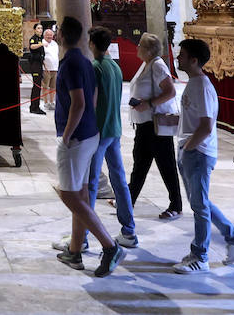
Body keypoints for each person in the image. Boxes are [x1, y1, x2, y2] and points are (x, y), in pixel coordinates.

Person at [51, 16, 126, 278]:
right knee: (80, 194)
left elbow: (79, 102)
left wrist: (67, 135)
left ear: (62, 34)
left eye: (58, 30)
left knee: (70, 195)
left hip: (77, 138)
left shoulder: (71, 63)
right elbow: (92, 99)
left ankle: (110, 245)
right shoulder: (84, 61)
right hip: (90, 134)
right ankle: (74, 250)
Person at [173, 38, 234, 274]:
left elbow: (206, 125)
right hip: (190, 149)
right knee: (201, 203)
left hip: (198, 152)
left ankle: (201, 256)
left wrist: (189, 147)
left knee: (200, 207)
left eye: (182, 54)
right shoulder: (193, 83)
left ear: (194, 60)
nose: (178, 57)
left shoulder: (203, 86)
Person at [78, 27, 137, 249]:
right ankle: (129, 231)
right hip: (114, 129)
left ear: (92, 43)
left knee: (91, 183)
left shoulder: (95, 67)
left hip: (99, 131)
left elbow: (90, 102)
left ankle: (82, 237)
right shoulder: (114, 66)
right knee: (119, 180)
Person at [126, 33, 182, 220]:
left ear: (148, 50)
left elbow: (170, 91)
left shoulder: (157, 65)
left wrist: (149, 104)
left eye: (140, 45)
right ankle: (128, 199)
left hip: (155, 124)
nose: (137, 48)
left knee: (166, 164)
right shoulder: (147, 63)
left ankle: (176, 204)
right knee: (140, 163)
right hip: (144, 123)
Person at [27, 21, 47, 115]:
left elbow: (41, 54)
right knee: (36, 86)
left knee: (38, 86)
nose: (40, 30)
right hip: (34, 65)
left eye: (41, 28)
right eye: (38, 28)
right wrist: (41, 44)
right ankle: (33, 107)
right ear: (34, 30)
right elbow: (32, 46)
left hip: (39, 64)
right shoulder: (34, 39)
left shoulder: (40, 39)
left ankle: (36, 106)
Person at [40, 26, 58, 112]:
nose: (49, 36)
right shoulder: (42, 43)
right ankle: (46, 102)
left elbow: (56, 55)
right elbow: (41, 56)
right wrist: (44, 66)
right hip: (46, 69)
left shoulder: (55, 43)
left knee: (53, 87)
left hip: (55, 68)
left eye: (51, 35)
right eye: (47, 35)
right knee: (45, 86)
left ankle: (52, 102)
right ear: (44, 36)